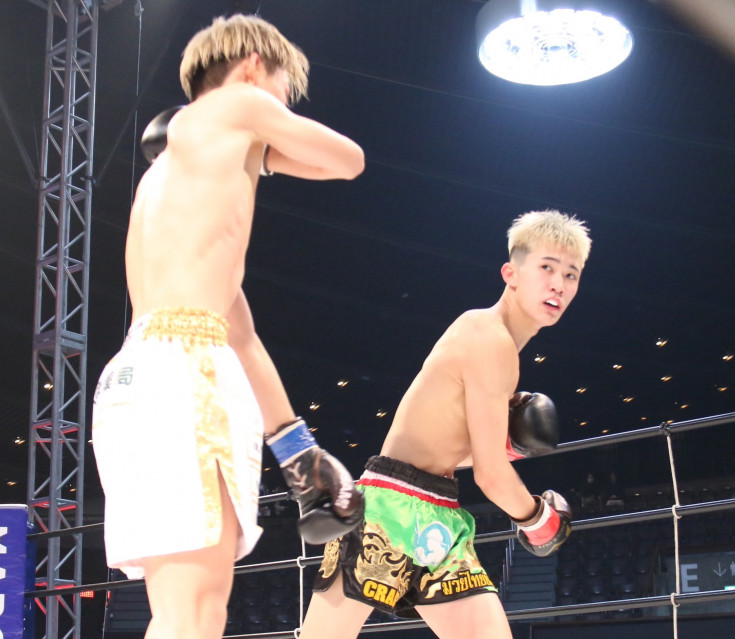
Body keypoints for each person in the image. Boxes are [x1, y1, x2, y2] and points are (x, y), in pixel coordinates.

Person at [91, 15, 365, 639]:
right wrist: (265, 144)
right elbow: (347, 161)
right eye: (284, 90)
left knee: (190, 610)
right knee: (193, 612)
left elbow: (242, 336)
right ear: (251, 67)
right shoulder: (238, 102)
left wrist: (298, 454)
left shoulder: (173, 197)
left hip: (138, 376)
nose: (283, 104)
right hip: (185, 376)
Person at [299, 210, 591, 639]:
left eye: (571, 274)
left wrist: (505, 448)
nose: (558, 284)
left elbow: (448, 450)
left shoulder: (492, 339)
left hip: (437, 511)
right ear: (511, 273)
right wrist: (538, 520)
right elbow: (491, 477)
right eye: (546, 267)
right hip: (386, 508)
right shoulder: (490, 339)